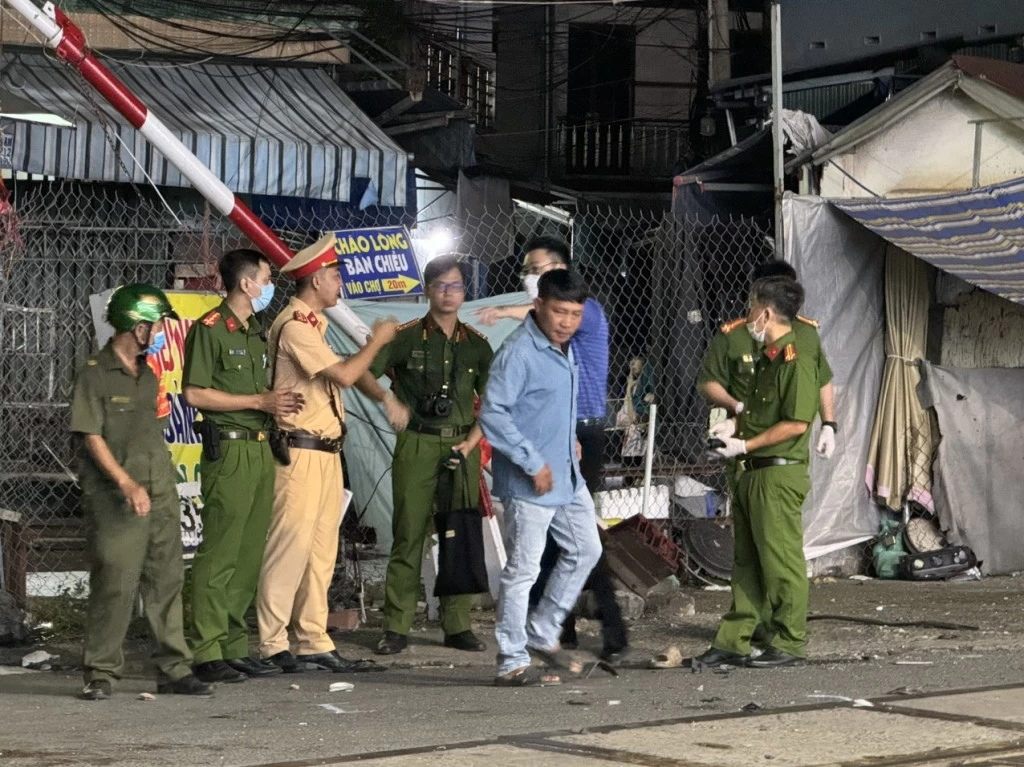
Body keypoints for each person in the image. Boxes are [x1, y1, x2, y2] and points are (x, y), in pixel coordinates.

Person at [476, 235, 628, 662]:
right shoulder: (519, 353)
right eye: (559, 312)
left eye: (574, 314)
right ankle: (512, 657)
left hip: (568, 469)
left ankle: (543, 631)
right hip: (532, 480)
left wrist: (571, 442)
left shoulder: (566, 350)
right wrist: (532, 460)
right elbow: (494, 414)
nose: (566, 322)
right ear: (538, 304)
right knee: (524, 568)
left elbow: (555, 406)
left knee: (586, 549)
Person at [257, 233, 402, 673]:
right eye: (336, 275)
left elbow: (348, 376)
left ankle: (312, 639)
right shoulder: (296, 327)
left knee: (320, 551)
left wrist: (380, 392)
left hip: (324, 452)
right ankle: (272, 642)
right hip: (299, 451)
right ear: (317, 279)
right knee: (290, 546)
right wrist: (376, 342)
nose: (341, 282)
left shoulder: (313, 327)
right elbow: (342, 375)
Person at [71, 284, 211, 700]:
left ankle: (174, 669)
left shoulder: (147, 375)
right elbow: (91, 436)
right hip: (117, 497)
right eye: (155, 325)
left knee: (166, 579)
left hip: (160, 491)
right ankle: (101, 672)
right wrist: (127, 483)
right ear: (136, 327)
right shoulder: (94, 373)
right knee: (115, 582)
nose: (160, 332)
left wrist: (156, 483)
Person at [182, 249, 304, 684]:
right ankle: (207, 649)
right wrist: (258, 401)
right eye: (267, 278)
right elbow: (195, 394)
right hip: (229, 451)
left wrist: (277, 406)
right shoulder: (210, 330)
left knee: (249, 553)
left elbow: (261, 394)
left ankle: (234, 645)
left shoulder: (256, 333)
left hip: (259, 449)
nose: (270, 286)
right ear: (246, 284)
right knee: (220, 553)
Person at [694, 276, 820, 669]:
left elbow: (796, 423)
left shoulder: (795, 359)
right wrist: (733, 429)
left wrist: (745, 444)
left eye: (751, 308)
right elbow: (760, 413)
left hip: (776, 473)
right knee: (746, 562)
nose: (748, 316)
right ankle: (735, 639)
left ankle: (788, 641)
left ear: (765, 312)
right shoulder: (769, 358)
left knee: (781, 562)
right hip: (752, 472)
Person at [371, 255, 494, 656]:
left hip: (462, 445)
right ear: (426, 290)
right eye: (440, 285)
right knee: (409, 534)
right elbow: (360, 372)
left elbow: (495, 401)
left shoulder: (476, 344)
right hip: (418, 443)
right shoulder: (405, 337)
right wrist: (389, 402)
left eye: (456, 286)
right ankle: (396, 625)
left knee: (458, 534)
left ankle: (457, 624)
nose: (448, 293)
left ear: (464, 292)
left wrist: (473, 441)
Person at [699, 260, 836, 460]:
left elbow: (822, 379)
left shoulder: (806, 334)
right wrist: (736, 409)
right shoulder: (734, 334)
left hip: (785, 447)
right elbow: (708, 381)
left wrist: (829, 425)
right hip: (738, 438)